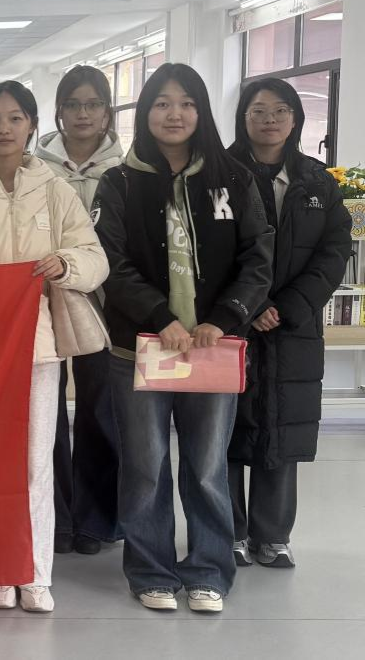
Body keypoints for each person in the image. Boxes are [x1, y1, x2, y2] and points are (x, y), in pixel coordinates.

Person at [92, 63, 273, 614]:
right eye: (162, 103)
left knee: (207, 465)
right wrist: (156, 315)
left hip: (210, 347)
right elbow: (109, 260)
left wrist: (224, 317)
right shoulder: (120, 182)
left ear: (202, 111)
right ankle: (150, 570)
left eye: (187, 103)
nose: (175, 114)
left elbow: (257, 258)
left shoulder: (234, 178)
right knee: (145, 465)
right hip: (140, 348)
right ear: (145, 112)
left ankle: (209, 571)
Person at [0, 81, 109, 614]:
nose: (4, 128)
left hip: (37, 347)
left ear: (32, 124)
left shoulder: (55, 190)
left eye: (15, 118)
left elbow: (93, 257)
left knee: (35, 462)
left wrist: (66, 265)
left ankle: (34, 572)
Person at [226, 78, 351, 570]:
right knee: (226, 430)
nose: (270, 120)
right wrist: (249, 304)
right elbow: (208, 250)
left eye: (281, 110)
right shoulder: (219, 174)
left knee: (283, 425)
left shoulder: (318, 181)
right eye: (259, 110)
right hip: (233, 322)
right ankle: (229, 531)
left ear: (295, 119)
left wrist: (290, 305)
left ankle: (273, 535)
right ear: (243, 117)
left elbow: (334, 251)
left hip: (294, 328)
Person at [34, 65, 125, 557]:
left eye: (92, 104)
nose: (83, 114)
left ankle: (97, 519)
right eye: (73, 104)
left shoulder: (126, 169)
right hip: (43, 307)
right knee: (46, 415)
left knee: (99, 412)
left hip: (107, 309)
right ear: (59, 112)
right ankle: (57, 517)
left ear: (107, 112)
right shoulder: (35, 169)